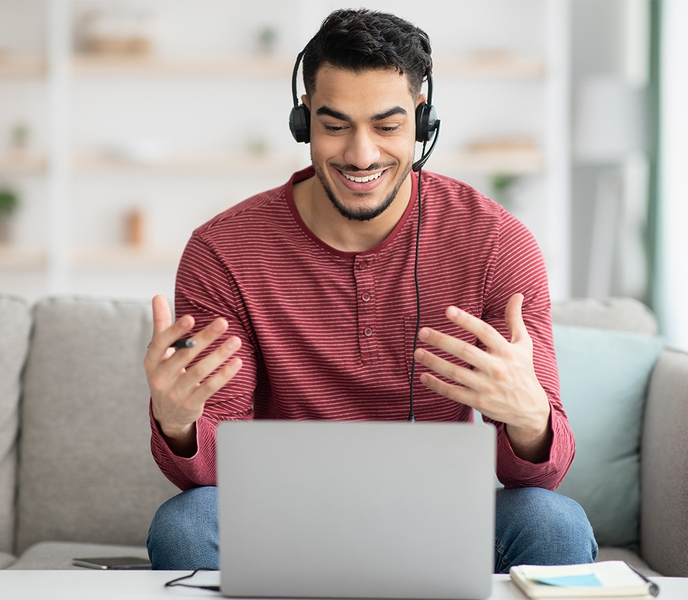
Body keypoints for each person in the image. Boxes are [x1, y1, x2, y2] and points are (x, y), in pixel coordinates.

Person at [144, 8, 597, 572]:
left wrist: (530, 418)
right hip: (284, 518)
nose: (361, 155)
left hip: (444, 515)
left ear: (422, 123)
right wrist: (178, 423)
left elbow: (540, 477)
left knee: (555, 524)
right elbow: (207, 474)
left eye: (387, 127)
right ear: (303, 121)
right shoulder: (225, 250)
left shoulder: (495, 242)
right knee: (184, 526)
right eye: (335, 126)